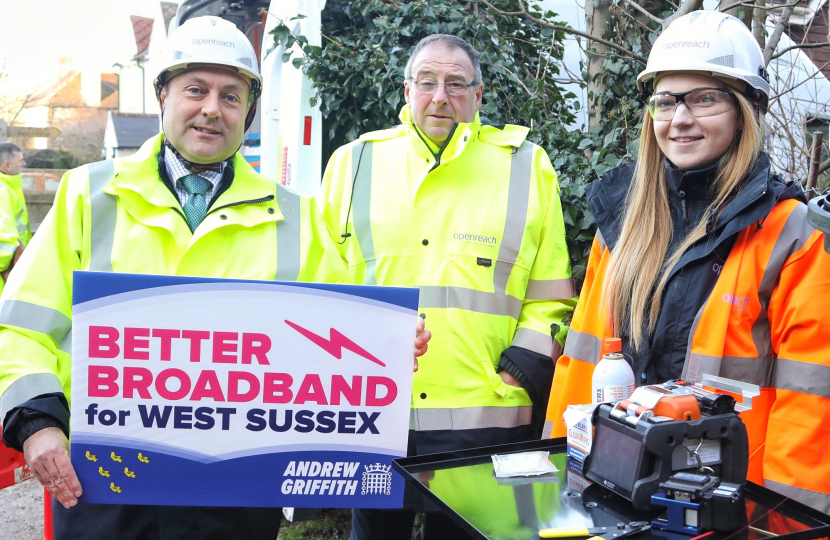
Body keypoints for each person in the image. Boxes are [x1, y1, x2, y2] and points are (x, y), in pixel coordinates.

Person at [0, 16, 429, 540]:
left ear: (248, 113)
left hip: (235, 497)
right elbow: (21, 329)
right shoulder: (86, 196)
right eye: (195, 90)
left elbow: (337, 340)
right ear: (163, 96)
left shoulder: (296, 216)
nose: (211, 109)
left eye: (231, 96)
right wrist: (38, 424)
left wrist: (385, 343)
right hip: (104, 488)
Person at [545, 10, 830, 513]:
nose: (679, 118)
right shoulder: (621, 224)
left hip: (731, 509)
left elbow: (810, 406)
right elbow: (582, 365)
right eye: (665, 101)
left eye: (704, 99)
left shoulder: (792, 233)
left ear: (748, 109)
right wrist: (554, 479)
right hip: (611, 497)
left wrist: (786, 522)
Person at [319, 34, 577, 540]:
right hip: (374, 412)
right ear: (406, 88)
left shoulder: (526, 166)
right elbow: (324, 282)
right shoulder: (352, 162)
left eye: (456, 84)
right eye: (428, 83)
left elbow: (552, 294)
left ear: (478, 95)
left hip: (486, 414)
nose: (441, 97)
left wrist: (520, 370)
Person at [0, 143, 31, 293]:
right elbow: (5, 241)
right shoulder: (3, 192)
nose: (24, 164)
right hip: (6, 278)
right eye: (20, 161)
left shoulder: (8, 188)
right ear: (7, 165)